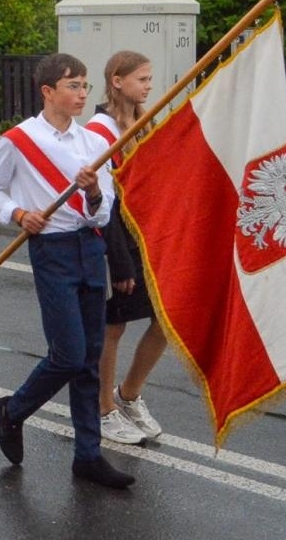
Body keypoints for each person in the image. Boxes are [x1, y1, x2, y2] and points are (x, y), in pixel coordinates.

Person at [0, 53, 134, 490]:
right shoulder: (19, 140)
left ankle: (88, 454)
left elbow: (104, 213)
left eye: (85, 85)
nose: (82, 94)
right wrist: (19, 213)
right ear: (48, 91)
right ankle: (14, 410)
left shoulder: (93, 143)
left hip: (90, 247)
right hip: (52, 250)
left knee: (89, 359)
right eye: (73, 86)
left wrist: (95, 193)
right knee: (68, 354)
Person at [84, 51, 166, 446]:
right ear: (117, 81)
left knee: (166, 320)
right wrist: (118, 259)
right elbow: (106, 200)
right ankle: (103, 409)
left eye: (150, 79)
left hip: (150, 235)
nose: (148, 86)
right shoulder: (99, 131)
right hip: (116, 236)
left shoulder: (148, 122)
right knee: (113, 325)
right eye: (141, 79)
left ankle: (129, 394)